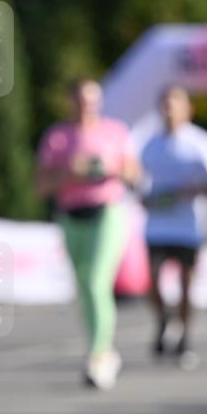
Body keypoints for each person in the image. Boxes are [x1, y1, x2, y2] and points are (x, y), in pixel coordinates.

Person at [36, 79, 140, 390]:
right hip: (72, 215)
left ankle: (98, 354)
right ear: (72, 101)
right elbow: (40, 185)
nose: (87, 106)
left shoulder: (115, 132)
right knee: (85, 287)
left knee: (97, 281)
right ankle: (103, 350)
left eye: (92, 99)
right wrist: (70, 173)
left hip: (106, 212)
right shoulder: (58, 136)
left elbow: (135, 174)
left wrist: (111, 168)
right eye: (81, 99)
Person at [140, 85, 207, 367]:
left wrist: (194, 188)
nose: (169, 109)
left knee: (186, 284)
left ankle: (185, 337)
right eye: (165, 103)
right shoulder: (149, 143)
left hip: (189, 225)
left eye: (174, 103)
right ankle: (164, 319)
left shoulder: (200, 142)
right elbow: (138, 180)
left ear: (187, 109)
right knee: (152, 281)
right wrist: (143, 196)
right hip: (157, 224)